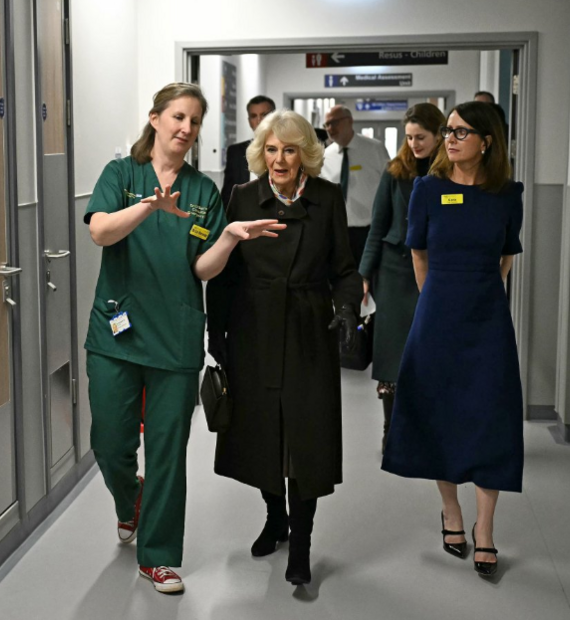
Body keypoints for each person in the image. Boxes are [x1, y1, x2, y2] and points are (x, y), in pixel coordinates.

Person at [84, 83, 284, 595]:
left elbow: (203, 269)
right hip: (117, 332)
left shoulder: (202, 191)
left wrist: (229, 238)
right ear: (155, 119)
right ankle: (131, 499)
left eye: (194, 122)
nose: (185, 129)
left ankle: (159, 556)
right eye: (177, 117)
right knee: (110, 442)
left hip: (175, 337)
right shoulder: (120, 175)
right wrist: (150, 206)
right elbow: (101, 231)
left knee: (169, 450)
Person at [207, 110, 363, 587]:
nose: (279, 159)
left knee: (305, 439)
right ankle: (275, 517)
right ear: (261, 153)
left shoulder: (327, 198)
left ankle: (302, 541)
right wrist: (218, 337)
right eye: (271, 149)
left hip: (307, 330)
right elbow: (225, 275)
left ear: (305, 157)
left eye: (289, 150)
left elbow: (345, 269)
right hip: (253, 330)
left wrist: (346, 308)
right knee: (261, 434)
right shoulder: (241, 198)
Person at [381, 101, 524, 579]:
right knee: (440, 413)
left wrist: (483, 296)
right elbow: (418, 255)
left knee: (490, 416)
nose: (450, 139)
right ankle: (452, 513)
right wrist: (435, 302)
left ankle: (485, 528)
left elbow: (506, 258)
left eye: (462, 132)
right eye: (448, 131)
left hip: (487, 320)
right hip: (436, 315)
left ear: (487, 141)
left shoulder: (507, 195)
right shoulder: (427, 189)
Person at [358, 103, 446, 453]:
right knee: (392, 353)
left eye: (420, 137)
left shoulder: (451, 174)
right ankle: (390, 430)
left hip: (437, 271)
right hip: (395, 273)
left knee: (430, 352)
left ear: (439, 135)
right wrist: (365, 273)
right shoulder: (394, 173)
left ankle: (427, 429)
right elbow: (377, 225)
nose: (414, 144)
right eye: (409, 137)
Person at [319, 105, 390, 271]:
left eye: (334, 122)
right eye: (326, 125)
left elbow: (389, 186)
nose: (330, 128)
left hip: (370, 231)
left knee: (370, 280)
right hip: (338, 233)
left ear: (349, 121)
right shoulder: (325, 156)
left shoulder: (374, 148)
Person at [220, 95, 275, 206]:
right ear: (249, 121)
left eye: (264, 115)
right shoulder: (235, 152)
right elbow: (227, 193)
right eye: (254, 116)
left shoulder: (290, 150)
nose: (259, 120)